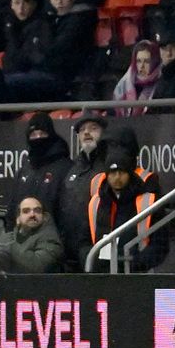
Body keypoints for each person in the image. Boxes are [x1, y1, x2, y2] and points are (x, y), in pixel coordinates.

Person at [86, 145, 169, 272]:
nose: (117, 177)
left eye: (122, 172)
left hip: (138, 276)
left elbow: (160, 243)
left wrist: (137, 263)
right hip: (102, 276)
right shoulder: (95, 203)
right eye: (113, 173)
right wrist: (92, 262)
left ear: (130, 173)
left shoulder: (149, 201)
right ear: (106, 175)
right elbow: (84, 239)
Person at [56, 111, 109, 272]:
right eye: (82, 130)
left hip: (98, 248)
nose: (87, 132)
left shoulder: (109, 166)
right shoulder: (73, 169)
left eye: (93, 128)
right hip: (70, 251)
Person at [8, 112, 72, 222]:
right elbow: (12, 209)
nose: (38, 138)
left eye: (42, 134)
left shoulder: (66, 168)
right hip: (23, 237)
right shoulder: (24, 171)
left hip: (53, 236)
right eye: (33, 134)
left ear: (51, 135)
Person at [0, 196, 65, 275]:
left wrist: (9, 248)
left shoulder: (51, 239)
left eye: (37, 211)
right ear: (18, 219)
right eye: (26, 211)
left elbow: (37, 266)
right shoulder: (7, 238)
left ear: (44, 217)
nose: (32, 214)